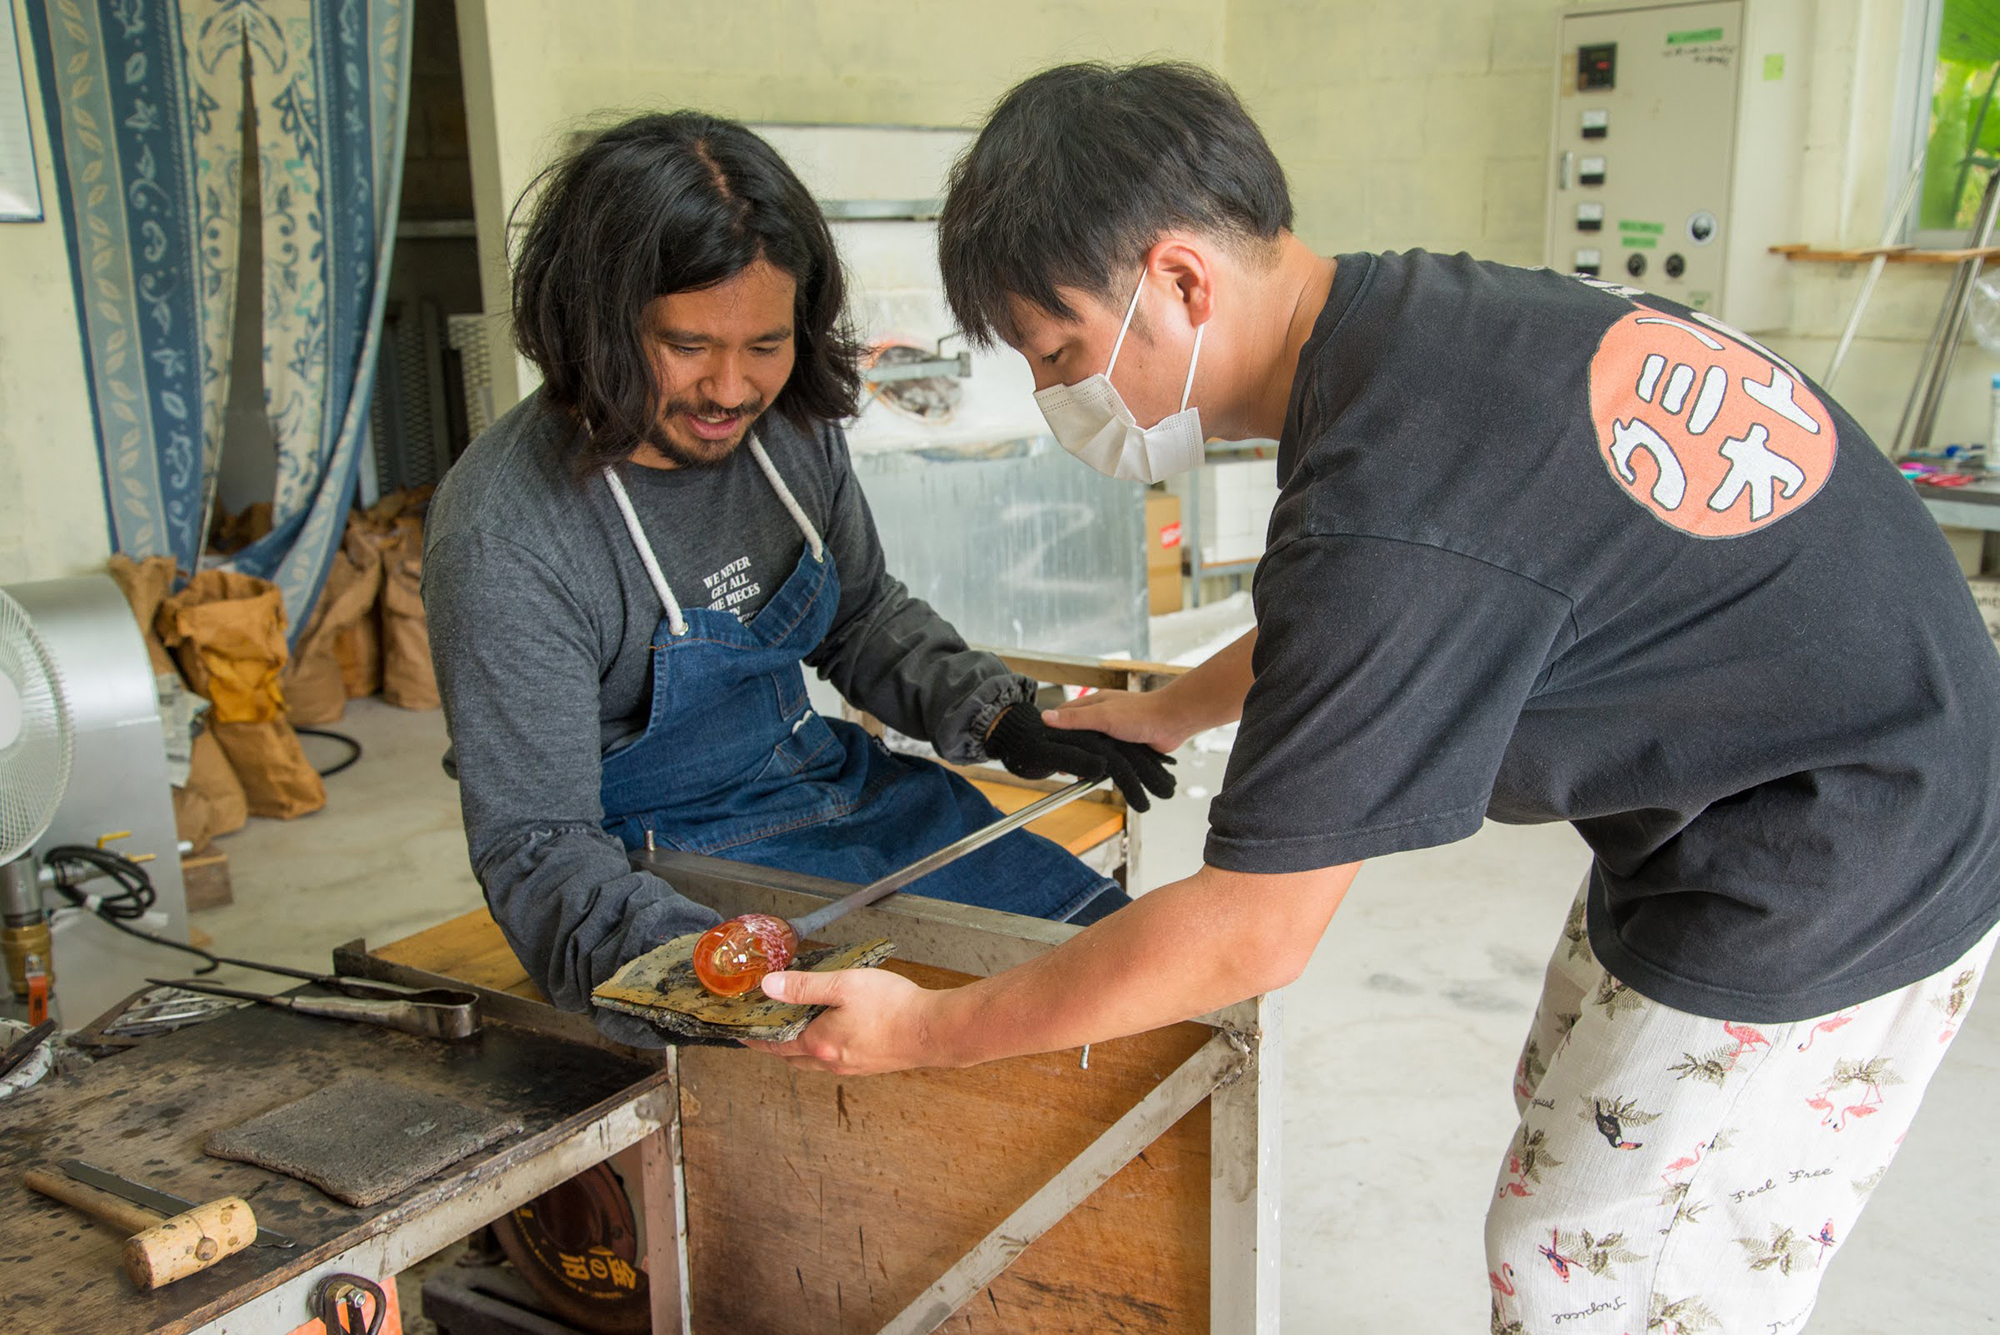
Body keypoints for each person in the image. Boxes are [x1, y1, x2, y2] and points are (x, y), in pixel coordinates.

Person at [746, 63, 2000, 1332]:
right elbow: (1405, 596)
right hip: (1781, 761)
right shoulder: (1408, 326)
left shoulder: (1386, 507)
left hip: (1847, 839)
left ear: (1181, 281)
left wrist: (923, 1033)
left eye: (1061, 351)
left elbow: (1250, 935)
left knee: (1599, 1264)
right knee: (1570, 1108)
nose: (1058, 394)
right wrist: (1172, 709)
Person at [422, 112, 1173, 1045]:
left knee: (1114, 970)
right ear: (593, 324)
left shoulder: (790, 431)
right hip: (666, 870)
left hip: (838, 790)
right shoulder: (508, 534)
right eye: (688, 345)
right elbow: (537, 847)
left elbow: (860, 617)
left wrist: (1002, 713)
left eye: (765, 345)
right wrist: (695, 968)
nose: (732, 390)